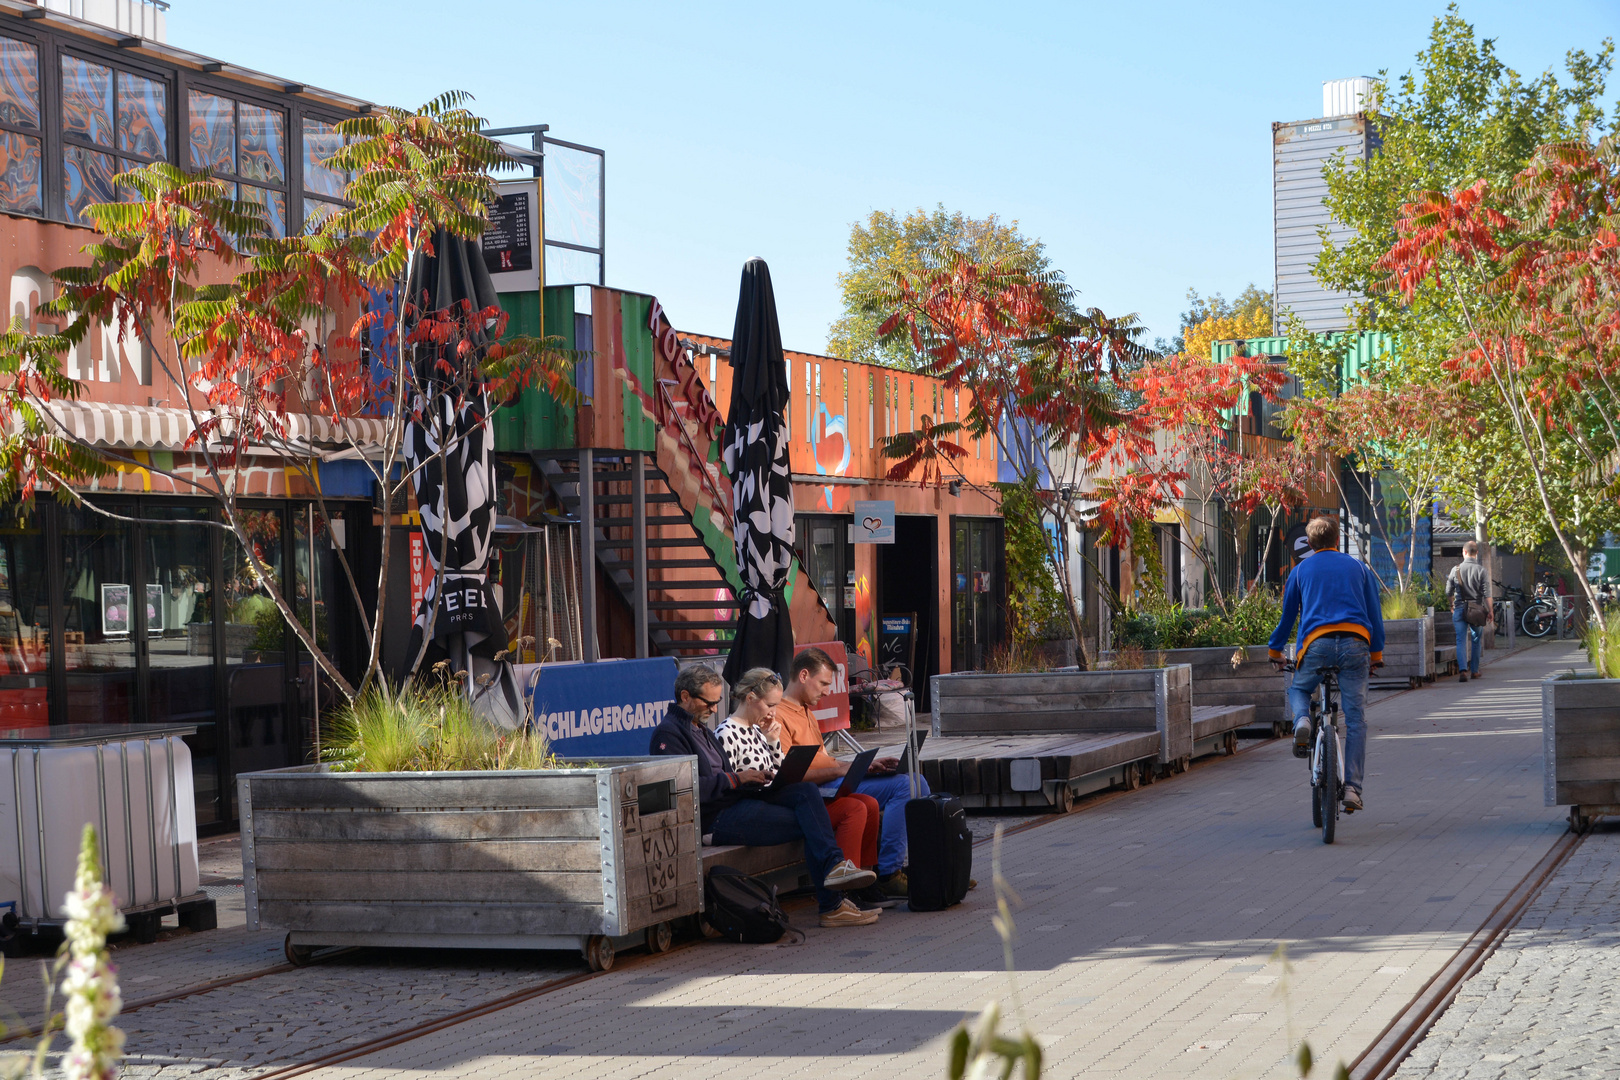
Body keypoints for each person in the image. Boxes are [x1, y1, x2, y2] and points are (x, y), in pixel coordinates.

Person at [649, 664, 878, 928]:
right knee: (811, 822)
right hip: (715, 819)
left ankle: (835, 874)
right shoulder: (669, 734)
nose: (713, 709)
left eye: (717, 702)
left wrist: (754, 776)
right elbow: (682, 790)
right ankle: (832, 903)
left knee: (804, 792)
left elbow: (727, 778)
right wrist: (737, 778)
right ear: (685, 696)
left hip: (737, 802)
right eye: (708, 702)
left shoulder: (701, 729)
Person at [717, 668, 890, 909]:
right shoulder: (726, 732)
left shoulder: (758, 730)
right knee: (813, 818)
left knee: (808, 796)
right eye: (770, 705)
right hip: (749, 803)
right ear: (750, 699)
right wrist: (749, 778)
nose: (773, 713)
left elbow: (777, 768)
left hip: (770, 796)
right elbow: (726, 783)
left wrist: (773, 741)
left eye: (776, 705)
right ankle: (835, 897)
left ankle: (837, 887)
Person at [773, 647, 931, 899]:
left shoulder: (805, 711)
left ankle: (926, 867)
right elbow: (792, 772)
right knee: (906, 785)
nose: (827, 691)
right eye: (823, 683)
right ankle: (889, 873)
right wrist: (847, 768)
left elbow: (822, 760)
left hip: (833, 780)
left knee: (916, 780)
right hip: (818, 790)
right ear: (803, 675)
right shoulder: (778, 716)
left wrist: (861, 766)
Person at [1268, 515, 1385, 813]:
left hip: (1316, 646)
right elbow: (1375, 615)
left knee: (1299, 689)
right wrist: (1376, 656)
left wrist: (1275, 651)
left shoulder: (1300, 570)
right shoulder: (1359, 567)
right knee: (1356, 718)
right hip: (1355, 644)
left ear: (1308, 543)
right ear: (1337, 540)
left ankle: (1303, 721)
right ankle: (1353, 789)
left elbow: (1287, 618)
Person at [1445, 541, 1490, 683]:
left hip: (1459, 609)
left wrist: (1452, 605)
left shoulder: (1455, 569)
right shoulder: (1482, 570)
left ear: (1464, 552)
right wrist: (1490, 611)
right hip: (1476, 610)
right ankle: (1475, 671)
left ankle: (1463, 670)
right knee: (1476, 640)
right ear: (1476, 553)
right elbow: (1487, 594)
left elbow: (1448, 591)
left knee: (1460, 640)